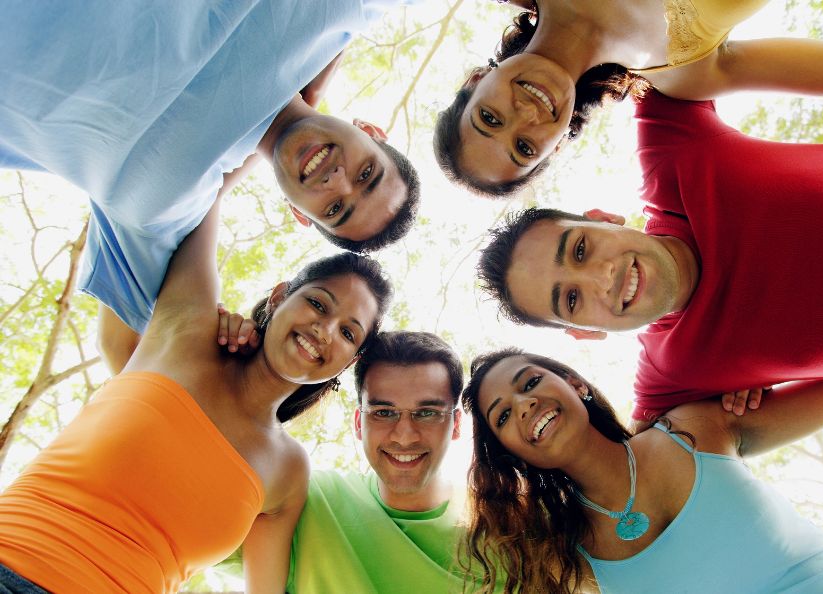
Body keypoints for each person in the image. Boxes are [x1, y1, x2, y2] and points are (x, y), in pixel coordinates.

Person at [0, 192, 393, 593]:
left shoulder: (287, 470)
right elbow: (199, 186)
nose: (324, 331)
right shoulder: (190, 330)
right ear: (279, 296)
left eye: (347, 332)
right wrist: (279, 139)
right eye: (318, 304)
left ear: (348, 361)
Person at [0, 0, 420, 335]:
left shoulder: (170, 205)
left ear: (298, 214)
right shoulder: (339, 12)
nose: (336, 180)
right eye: (366, 174)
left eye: (334, 209)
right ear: (371, 131)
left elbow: (126, 343)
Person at [477, 88, 823, 423]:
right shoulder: (672, 372)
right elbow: (632, 472)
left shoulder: (676, 154)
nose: (603, 277)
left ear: (605, 218)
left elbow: (657, 38)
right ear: (585, 332)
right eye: (572, 299)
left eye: (581, 249)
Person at [461, 348, 823, 594]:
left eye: (530, 383)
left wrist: (759, 367)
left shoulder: (691, 427)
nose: (525, 404)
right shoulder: (566, 556)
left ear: (575, 383)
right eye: (503, 416)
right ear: (512, 457)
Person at [433, 0, 823, 195]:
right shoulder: (687, 74)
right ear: (558, 145)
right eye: (524, 148)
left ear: (475, 81)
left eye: (489, 118)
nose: (523, 115)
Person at [212, 328, 497, 592]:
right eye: (384, 412)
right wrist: (226, 360)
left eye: (427, 413)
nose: (405, 436)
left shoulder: (502, 529)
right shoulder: (299, 502)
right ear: (359, 423)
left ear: (457, 424)